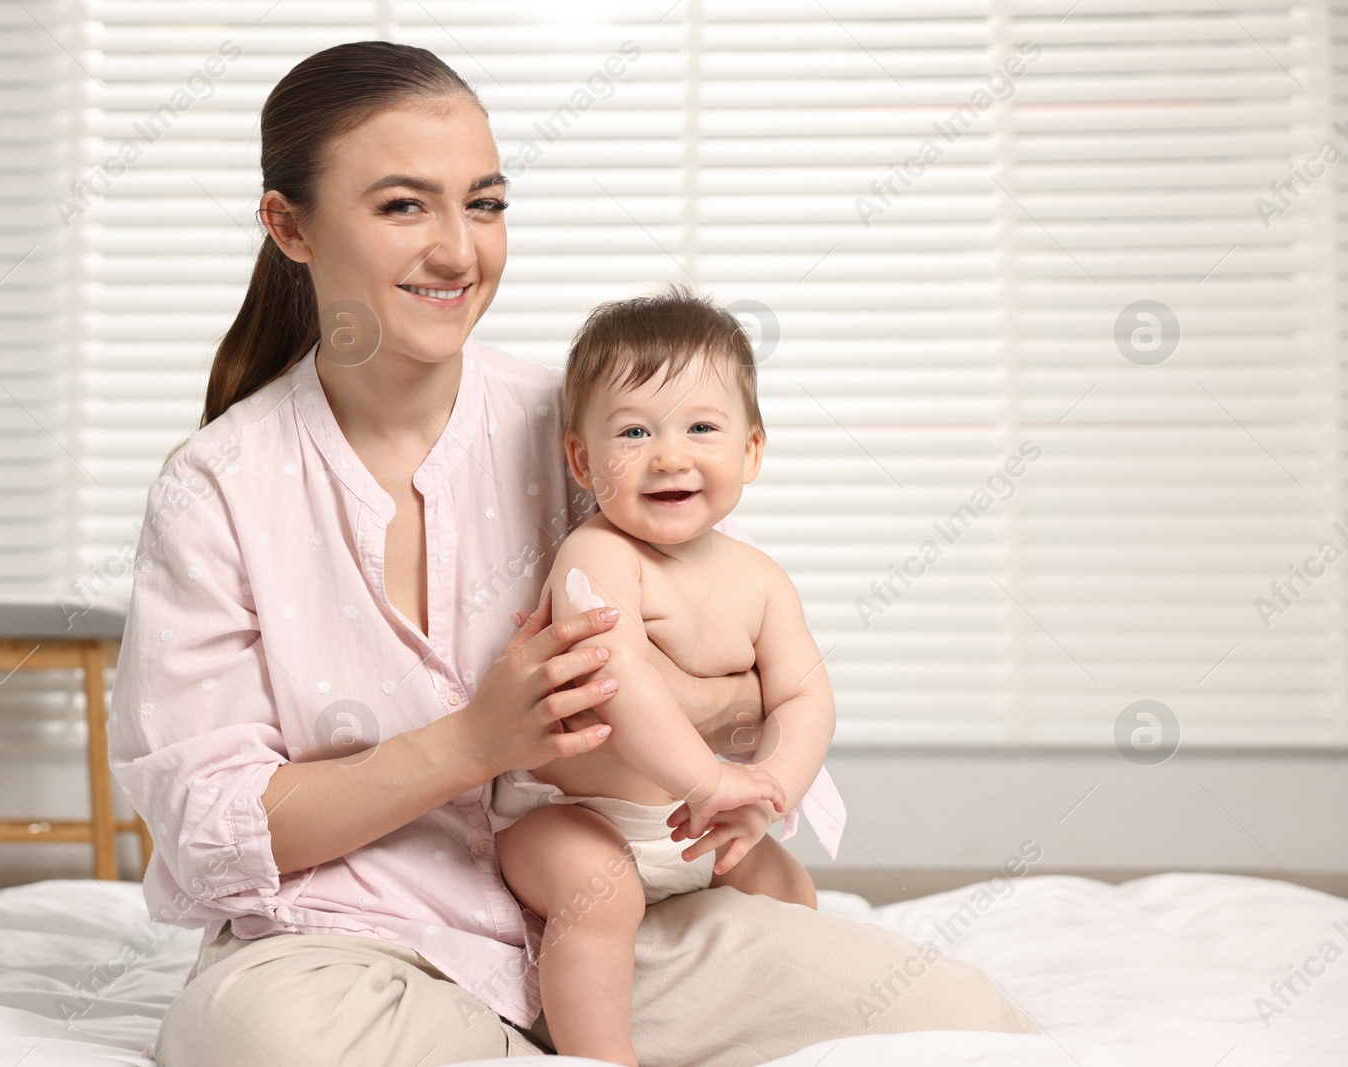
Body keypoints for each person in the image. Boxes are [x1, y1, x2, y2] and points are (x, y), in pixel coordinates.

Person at [110, 38, 1039, 1067]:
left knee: (958, 1017)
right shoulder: (217, 487)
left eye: (487, 203)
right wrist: (474, 740)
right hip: (346, 942)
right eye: (403, 206)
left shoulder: (592, 429)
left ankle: (548, 1035)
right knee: (261, 1036)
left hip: (616, 921)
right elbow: (211, 826)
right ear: (291, 226)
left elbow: (739, 667)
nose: (460, 251)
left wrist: (726, 721)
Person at [488, 287, 847, 1065]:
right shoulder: (598, 555)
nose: (671, 454)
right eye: (635, 431)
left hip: (696, 821)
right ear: (583, 459)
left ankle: (765, 1030)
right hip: (568, 813)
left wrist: (768, 789)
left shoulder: (760, 579)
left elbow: (803, 693)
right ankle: (600, 1053)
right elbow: (616, 677)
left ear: (751, 450)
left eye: (701, 427)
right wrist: (705, 777)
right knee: (601, 887)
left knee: (790, 892)